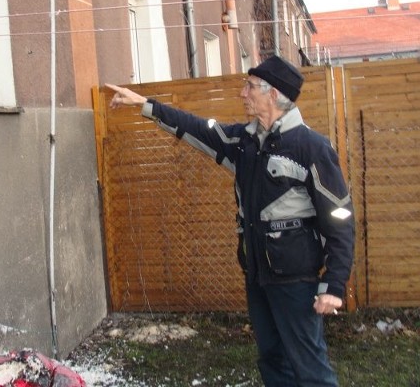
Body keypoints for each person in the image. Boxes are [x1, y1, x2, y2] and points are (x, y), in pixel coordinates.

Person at [106, 54, 355, 387]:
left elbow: (339, 216)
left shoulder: (311, 147)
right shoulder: (244, 143)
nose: (243, 94)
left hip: (296, 281)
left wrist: (334, 284)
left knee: (309, 367)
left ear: (273, 94)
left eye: (249, 86)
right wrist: (145, 105)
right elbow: (197, 127)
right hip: (257, 276)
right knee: (272, 360)